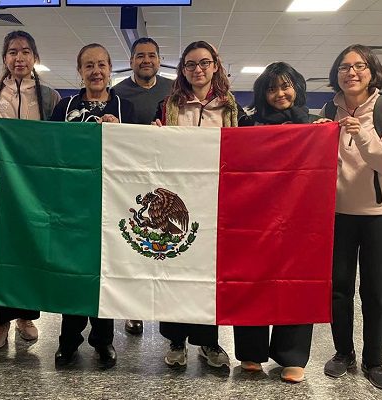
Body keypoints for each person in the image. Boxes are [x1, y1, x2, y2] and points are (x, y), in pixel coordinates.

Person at [317, 44, 382, 390]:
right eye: (344, 67)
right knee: (337, 289)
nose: (351, 72)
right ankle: (344, 352)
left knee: (376, 291)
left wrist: (364, 134)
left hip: (380, 216)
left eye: (359, 66)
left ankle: (375, 360)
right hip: (338, 214)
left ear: (372, 72)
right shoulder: (328, 108)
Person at [50, 43, 134, 368]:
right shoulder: (64, 106)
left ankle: (103, 341)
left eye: (101, 64)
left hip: (112, 203)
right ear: (80, 71)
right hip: (72, 203)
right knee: (73, 274)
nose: (95, 71)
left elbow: (141, 153)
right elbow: (51, 149)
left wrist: (121, 132)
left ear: (111, 68)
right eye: (88, 65)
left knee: (104, 274)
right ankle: (68, 341)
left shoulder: (125, 107)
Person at [153, 40, 235, 372]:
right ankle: (175, 340)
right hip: (179, 198)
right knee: (174, 270)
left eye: (204, 63)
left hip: (214, 199)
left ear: (216, 65)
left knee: (208, 273)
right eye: (189, 64)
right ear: (182, 70)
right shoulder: (168, 105)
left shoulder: (230, 107)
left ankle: (209, 342)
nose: (197, 70)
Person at [233, 62, 315, 383]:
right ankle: (251, 353)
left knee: (297, 280)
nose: (279, 94)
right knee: (251, 280)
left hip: (299, 218)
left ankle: (292, 356)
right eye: (271, 88)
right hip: (255, 217)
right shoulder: (250, 127)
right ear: (262, 94)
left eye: (286, 86)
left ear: (297, 87)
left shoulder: (313, 126)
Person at [0, 30, 61, 348]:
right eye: (13, 51)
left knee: (30, 255)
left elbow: (56, 143)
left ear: (35, 57)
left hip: (35, 192)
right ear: (4, 57)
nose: (19, 58)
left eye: (26, 52)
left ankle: (25, 315)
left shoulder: (49, 96)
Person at [113, 37, 173, 336]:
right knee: (134, 246)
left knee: (167, 248)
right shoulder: (118, 92)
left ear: (159, 60)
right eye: (139, 56)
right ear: (132, 60)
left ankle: (166, 309)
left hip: (169, 175)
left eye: (151, 55)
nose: (145, 60)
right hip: (131, 177)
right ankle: (133, 310)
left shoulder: (173, 89)